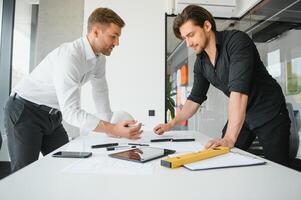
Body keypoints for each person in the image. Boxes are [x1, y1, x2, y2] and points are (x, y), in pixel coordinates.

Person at [4, 7, 142, 172]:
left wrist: (110, 129)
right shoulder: (69, 56)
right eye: (113, 36)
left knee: (67, 165)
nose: (117, 43)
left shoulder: (99, 60)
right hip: (26, 110)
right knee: (24, 173)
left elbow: (100, 92)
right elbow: (71, 113)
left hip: (53, 116)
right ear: (96, 32)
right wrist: (112, 128)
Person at [154, 5, 291, 166]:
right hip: (244, 115)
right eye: (185, 38)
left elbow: (238, 92)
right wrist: (171, 123)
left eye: (191, 35)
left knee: (277, 168)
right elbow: (194, 100)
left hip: (270, 112)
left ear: (207, 26)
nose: (188, 43)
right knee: (221, 154)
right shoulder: (201, 63)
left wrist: (230, 138)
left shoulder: (236, 42)